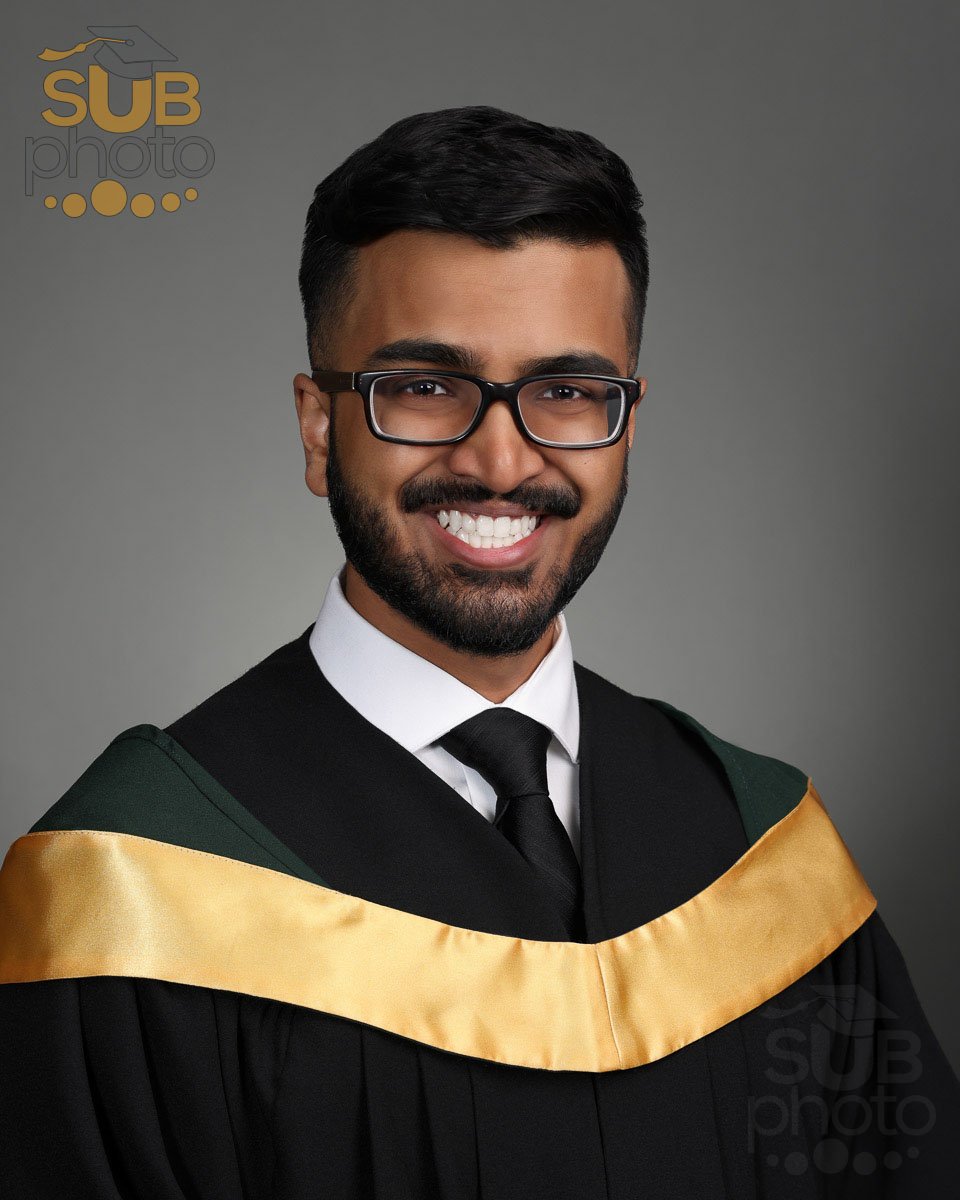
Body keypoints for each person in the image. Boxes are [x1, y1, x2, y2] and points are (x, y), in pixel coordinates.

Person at [0, 104, 957, 1199]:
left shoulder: (763, 854)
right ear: (321, 427)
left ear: (628, 422)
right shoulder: (130, 899)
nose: (502, 461)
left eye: (567, 392)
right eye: (424, 387)